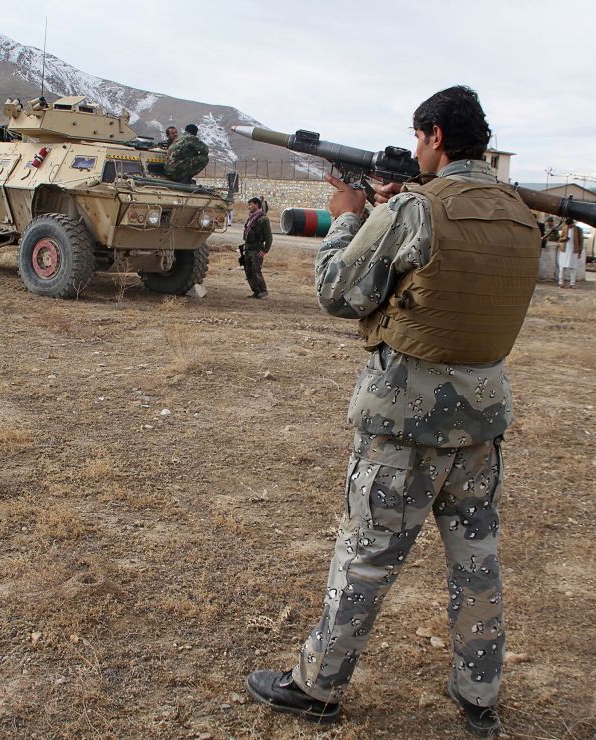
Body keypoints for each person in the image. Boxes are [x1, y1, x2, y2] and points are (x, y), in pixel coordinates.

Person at [245, 85, 540, 738]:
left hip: (407, 424)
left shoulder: (417, 209)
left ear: (434, 136)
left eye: (418, 137)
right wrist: (389, 210)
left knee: (367, 558)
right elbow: (449, 285)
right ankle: (479, 697)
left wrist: (350, 215)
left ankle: (316, 688)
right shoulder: (520, 216)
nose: (415, 148)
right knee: (477, 564)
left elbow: (338, 291)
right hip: (483, 423)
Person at [240, 197, 273, 298]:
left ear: (257, 205)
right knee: (248, 270)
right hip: (248, 248)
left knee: (256, 270)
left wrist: (265, 250)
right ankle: (256, 291)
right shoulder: (251, 218)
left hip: (256, 248)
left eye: (251, 204)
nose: (249, 207)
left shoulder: (263, 219)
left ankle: (263, 290)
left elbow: (269, 237)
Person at [557, 217, 583, 288]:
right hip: (564, 251)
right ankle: (561, 283)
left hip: (574, 251)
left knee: (573, 268)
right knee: (562, 267)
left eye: (569, 225)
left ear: (572, 224)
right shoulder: (564, 228)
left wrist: (580, 252)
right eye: (567, 225)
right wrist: (564, 239)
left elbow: (581, 241)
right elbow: (560, 238)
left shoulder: (578, 230)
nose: (568, 226)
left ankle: (572, 284)